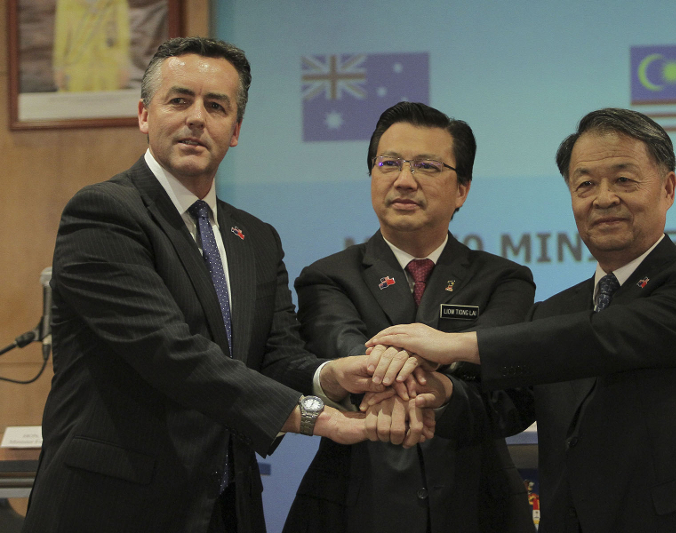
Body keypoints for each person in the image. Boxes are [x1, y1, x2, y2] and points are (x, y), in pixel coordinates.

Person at [23, 37, 410, 533]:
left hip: (226, 505)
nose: (196, 118)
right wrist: (315, 417)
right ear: (145, 114)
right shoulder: (104, 214)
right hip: (114, 506)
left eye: (216, 106)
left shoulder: (256, 238)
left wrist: (333, 377)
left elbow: (276, 356)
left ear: (235, 130)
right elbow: (170, 351)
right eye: (179, 100)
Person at [368, 108, 676, 533]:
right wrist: (434, 391)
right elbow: (504, 410)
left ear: (668, 188)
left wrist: (456, 343)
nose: (603, 198)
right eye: (585, 184)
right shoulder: (554, 311)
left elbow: (603, 337)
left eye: (623, 180)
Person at [282, 102, 537, 533]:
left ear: (462, 190)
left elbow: (511, 398)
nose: (404, 180)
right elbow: (341, 345)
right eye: (389, 164)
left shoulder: (505, 280)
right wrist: (415, 370)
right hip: (354, 507)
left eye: (426, 166)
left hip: (478, 507)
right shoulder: (327, 276)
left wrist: (442, 392)